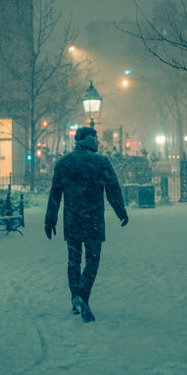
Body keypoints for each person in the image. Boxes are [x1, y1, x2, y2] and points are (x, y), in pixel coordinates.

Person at [44, 127, 129, 323]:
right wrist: (121, 212)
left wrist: (50, 220)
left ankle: (76, 298)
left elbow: (55, 194)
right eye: (97, 138)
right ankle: (82, 295)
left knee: (73, 261)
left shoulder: (63, 163)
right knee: (92, 261)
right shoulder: (101, 163)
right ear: (91, 140)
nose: (99, 142)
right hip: (93, 221)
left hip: (72, 220)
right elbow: (113, 190)